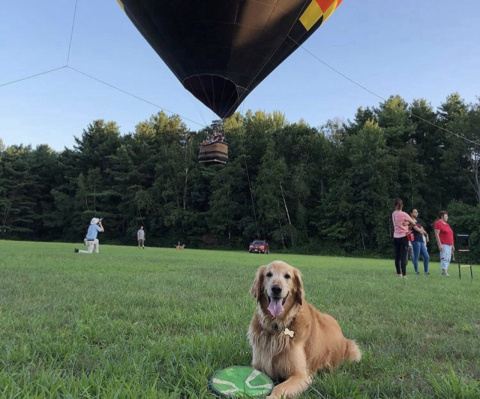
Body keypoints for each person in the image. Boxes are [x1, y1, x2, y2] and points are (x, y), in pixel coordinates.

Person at [392, 198, 417, 278]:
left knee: (397, 256)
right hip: (403, 236)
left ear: (395, 205)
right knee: (403, 256)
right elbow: (414, 222)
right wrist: (408, 224)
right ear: (402, 205)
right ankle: (404, 274)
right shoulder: (404, 214)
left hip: (396, 236)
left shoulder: (393, 214)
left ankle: (398, 273)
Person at [434, 211, 454, 276]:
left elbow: (451, 234)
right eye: (446, 216)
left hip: (449, 243)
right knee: (444, 257)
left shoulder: (447, 224)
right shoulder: (438, 223)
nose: (447, 217)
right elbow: (437, 234)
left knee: (448, 258)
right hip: (443, 243)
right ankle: (444, 271)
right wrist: (439, 244)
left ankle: (444, 271)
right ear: (442, 216)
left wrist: (452, 245)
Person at [410, 209, 430, 275]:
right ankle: (416, 271)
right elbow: (418, 229)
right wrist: (421, 230)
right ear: (411, 213)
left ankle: (426, 271)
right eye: (415, 212)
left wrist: (422, 231)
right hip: (415, 240)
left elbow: (423, 230)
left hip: (421, 240)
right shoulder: (411, 221)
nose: (416, 213)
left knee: (426, 256)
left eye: (417, 212)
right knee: (416, 256)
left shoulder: (417, 221)